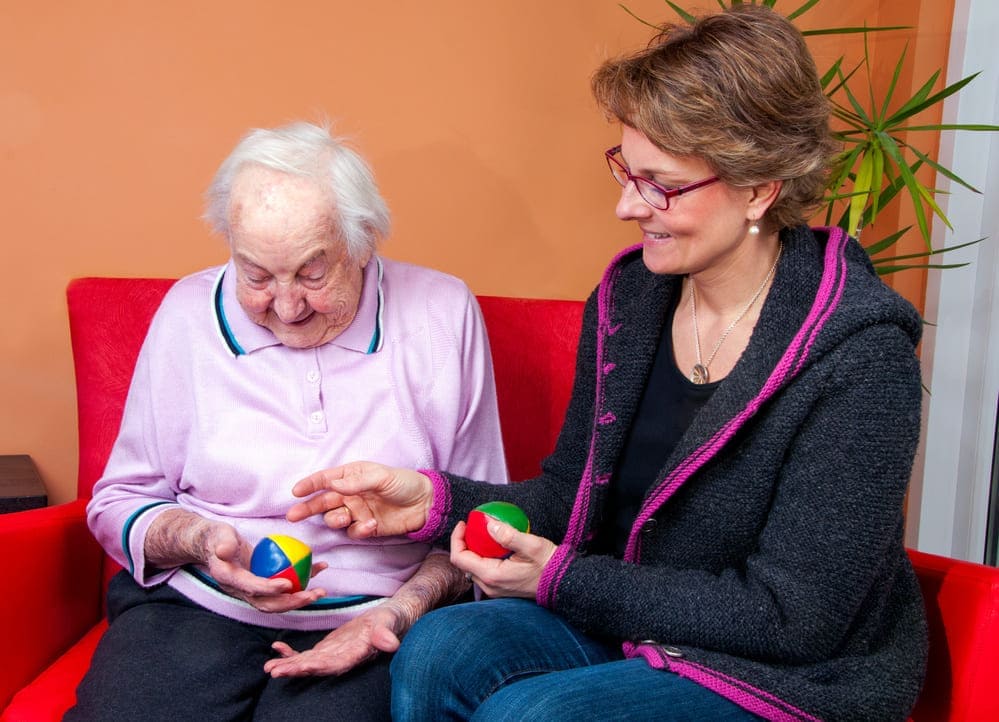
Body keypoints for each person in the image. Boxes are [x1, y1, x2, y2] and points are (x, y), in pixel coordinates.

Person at [286, 7, 929, 721]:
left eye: (662, 184)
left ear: (758, 186)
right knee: (439, 648)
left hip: (782, 673)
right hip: (636, 621)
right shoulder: (630, 298)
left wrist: (560, 580)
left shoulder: (860, 356)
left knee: (531, 717)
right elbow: (571, 493)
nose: (627, 205)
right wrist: (433, 504)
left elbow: (792, 618)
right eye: (627, 169)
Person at [68, 121, 508, 722]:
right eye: (255, 275)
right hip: (197, 604)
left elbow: (478, 523)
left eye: (311, 273)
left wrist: (397, 614)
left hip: (374, 615)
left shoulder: (441, 313)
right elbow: (120, 499)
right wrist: (200, 540)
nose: (286, 306)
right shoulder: (186, 315)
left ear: (363, 243)